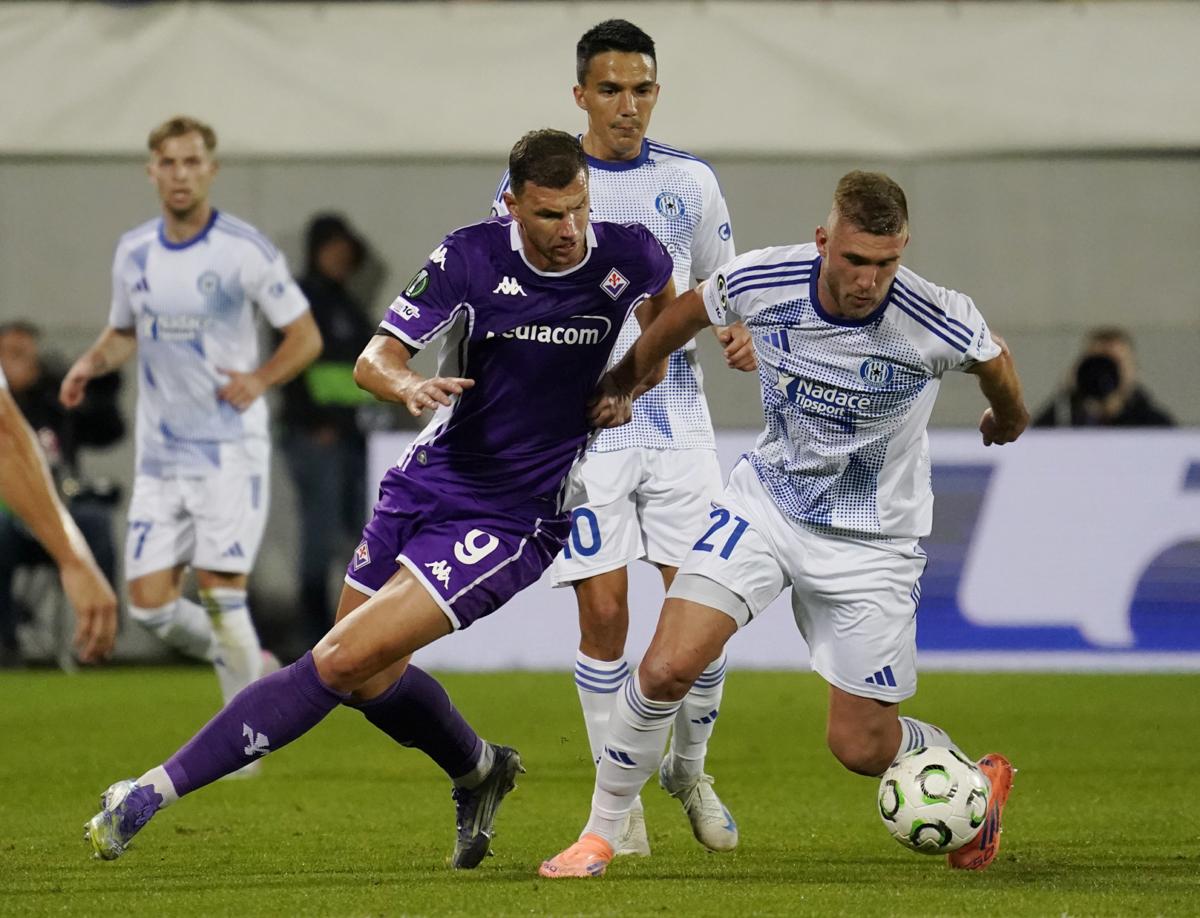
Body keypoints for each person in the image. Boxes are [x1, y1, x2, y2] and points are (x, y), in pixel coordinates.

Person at [82, 129, 680, 870]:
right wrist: (409, 386)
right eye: (550, 215)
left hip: (514, 515)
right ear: (512, 205)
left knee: (336, 660)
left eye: (579, 209)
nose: (569, 230)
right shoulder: (471, 257)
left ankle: (147, 793)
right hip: (425, 480)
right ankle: (479, 769)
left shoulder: (630, 254)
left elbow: (667, 324)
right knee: (365, 677)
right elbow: (375, 360)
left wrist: (626, 383)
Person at [540, 170, 1030, 879]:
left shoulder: (933, 316)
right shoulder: (764, 279)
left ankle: (971, 781)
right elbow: (687, 312)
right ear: (823, 241)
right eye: (855, 259)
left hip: (873, 542)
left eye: (886, 263)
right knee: (666, 668)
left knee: (860, 746)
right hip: (766, 507)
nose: (869, 280)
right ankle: (601, 834)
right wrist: (624, 380)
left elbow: (995, 360)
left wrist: (1007, 418)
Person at [491, 19, 755, 857]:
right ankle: (621, 797)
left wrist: (737, 331)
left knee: (705, 612)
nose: (627, 105)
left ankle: (690, 770)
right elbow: (503, 284)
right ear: (580, 96)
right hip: (584, 431)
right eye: (610, 90)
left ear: (656, 92)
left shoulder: (690, 182)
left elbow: (718, 287)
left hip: (677, 421)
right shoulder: (542, 185)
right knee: (604, 615)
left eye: (641, 89)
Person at [60, 116, 322, 712]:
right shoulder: (134, 252)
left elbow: (304, 336)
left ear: (211, 170)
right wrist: (89, 364)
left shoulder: (243, 250)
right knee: (149, 606)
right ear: (151, 171)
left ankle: (250, 737)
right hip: (160, 456)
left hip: (228, 450)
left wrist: (259, 379)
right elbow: (126, 332)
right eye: (169, 163)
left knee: (221, 594)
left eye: (192, 162)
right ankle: (255, 667)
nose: (180, 174)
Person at [280, 214, 379, 652]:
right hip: (316, 438)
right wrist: (314, 423)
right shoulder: (302, 301)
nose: (342, 259)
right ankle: (314, 633)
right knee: (321, 535)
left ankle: (347, 630)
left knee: (357, 536)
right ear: (317, 251)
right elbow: (291, 367)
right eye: (334, 250)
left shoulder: (346, 304)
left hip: (349, 437)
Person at [0, 321, 124, 664]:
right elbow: (6, 442)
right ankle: (5, 640)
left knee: (96, 522)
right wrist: (73, 561)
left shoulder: (53, 399)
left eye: (25, 355)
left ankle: (103, 636)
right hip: (8, 516)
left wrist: (100, 385)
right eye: (9, 353)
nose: (17, 362)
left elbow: (109, 430)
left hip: (59, 510)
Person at [1033, 326, 1174, 427]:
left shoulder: (1156, 426)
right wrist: (1065, 397)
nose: (1105, 372)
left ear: (1134, 370)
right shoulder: (1060, 419)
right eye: (1098, 364)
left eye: (1115, 363)